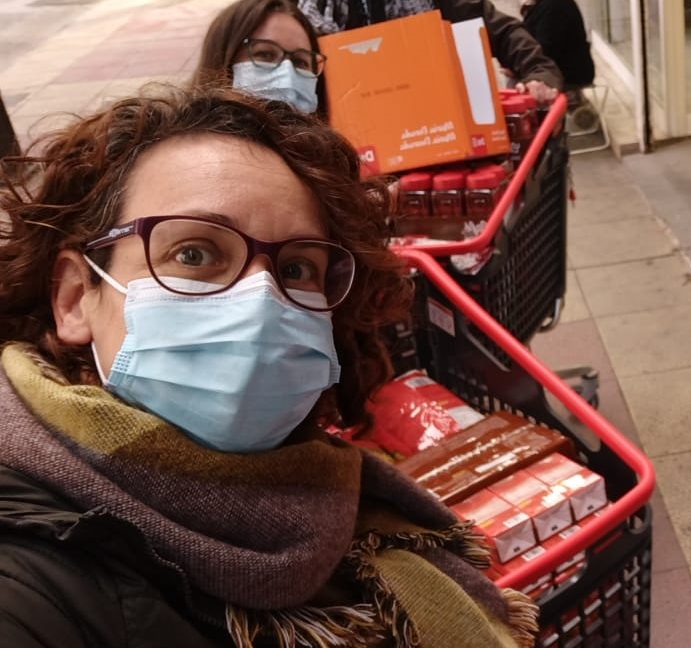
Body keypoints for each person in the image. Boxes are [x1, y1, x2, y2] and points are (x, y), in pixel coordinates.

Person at [0, 85, 537, 647]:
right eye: (194, 254)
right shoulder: (30, 588)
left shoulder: (335, 498)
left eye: (299, 268)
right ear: (74, 297)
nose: (262, 301)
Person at [298, 0, 563, 103]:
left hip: (434, 139)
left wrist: (539, 75)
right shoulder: (298, 12)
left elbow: (502, 31)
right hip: (341, 156)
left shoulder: (441, 3)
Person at [194, 0, 330, 115]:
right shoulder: (189, 144)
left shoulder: (325, 144)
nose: (287, 76)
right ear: (225, 59)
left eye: (300, 62)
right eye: (265, 54)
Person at [520, 0, 594, 92]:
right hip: (553, 69)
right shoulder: (543, 5)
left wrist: (518, 66)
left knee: (519, 86)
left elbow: (545, 49)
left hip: (566, 75)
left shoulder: (555, 6)